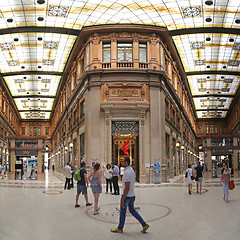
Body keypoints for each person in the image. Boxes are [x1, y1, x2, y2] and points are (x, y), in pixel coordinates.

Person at [111, 157, 149, 233]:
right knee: (132, 211)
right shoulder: (130, 170)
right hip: (132, 195)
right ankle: (144, 224)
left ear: (127, 163)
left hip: (127, 196)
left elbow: (127, 187)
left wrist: (123, 199)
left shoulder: (127, 172)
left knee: (122, 212)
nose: (121, 162)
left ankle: (120, 228)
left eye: (123, 161)